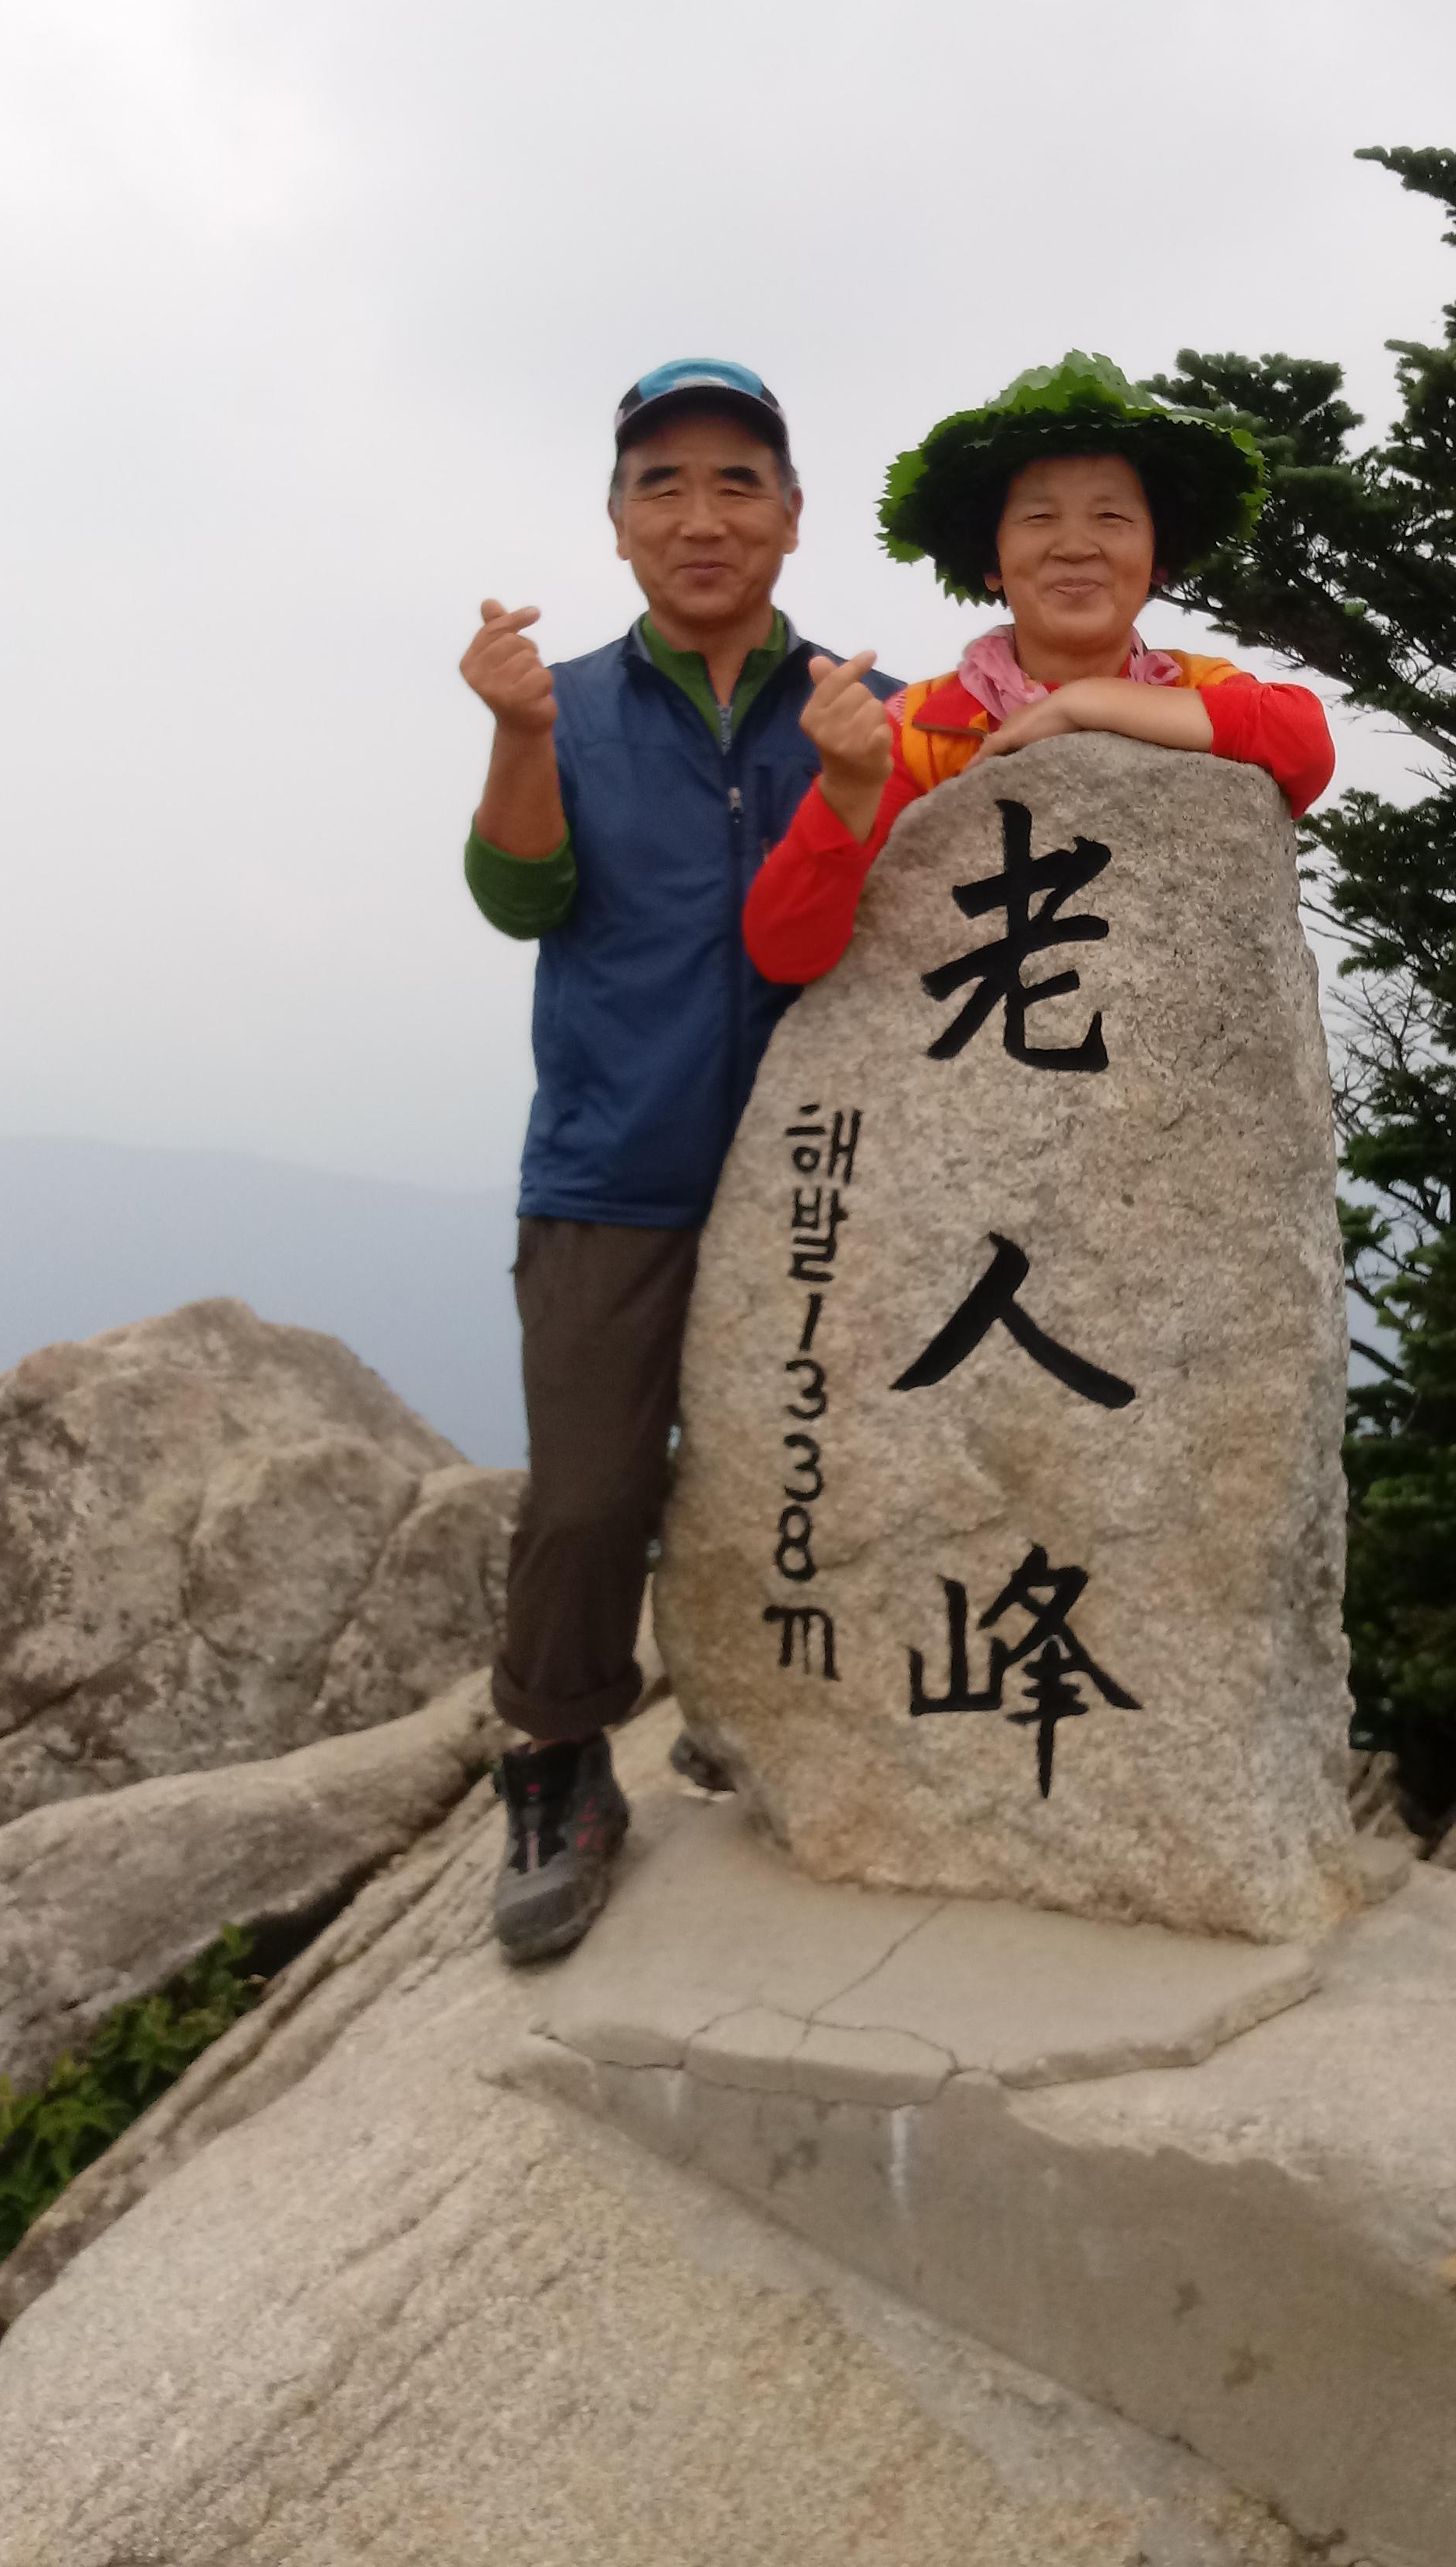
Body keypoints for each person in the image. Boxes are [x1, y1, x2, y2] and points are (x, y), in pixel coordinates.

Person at [460, 358, 898, 1961]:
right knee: (588, 1497)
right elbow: (518, 899)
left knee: (827, 1469)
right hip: (612, 1165)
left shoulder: (860, 707)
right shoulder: (565, 704)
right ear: (618, 522)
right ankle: (558, 1762)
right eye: (664, 484)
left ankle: (771, 1718)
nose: (701, 516)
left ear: (792, 515)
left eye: (735, 483)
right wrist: (519, 734)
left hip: (830, 1171)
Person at [743, 352, 1332, 982]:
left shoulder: (1191, 688)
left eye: (1112, 516)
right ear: (990, 559)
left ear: (1158, 557)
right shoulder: (918, 730)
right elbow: (786, 949)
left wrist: (1084, 704)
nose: (1075, 546)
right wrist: (846, 791)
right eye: (1039, 517)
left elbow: (1304, 743)